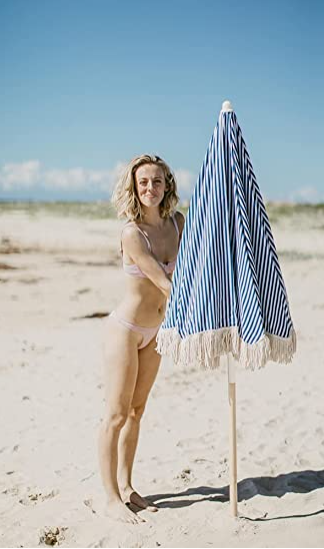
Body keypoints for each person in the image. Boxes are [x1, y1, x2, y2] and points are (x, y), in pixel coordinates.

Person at [98, 154, 185, 523]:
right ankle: (110, 499)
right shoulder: (131, 233)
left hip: (157, 332)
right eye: (143, 182)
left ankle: (127, 486)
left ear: (167, 185)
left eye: (157, 181)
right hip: (126, 330)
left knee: (137, 411)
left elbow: (197, 264)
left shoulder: (178, 223)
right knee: (116, 415)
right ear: (135, 187)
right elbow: (165, 283)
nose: (150, 188)